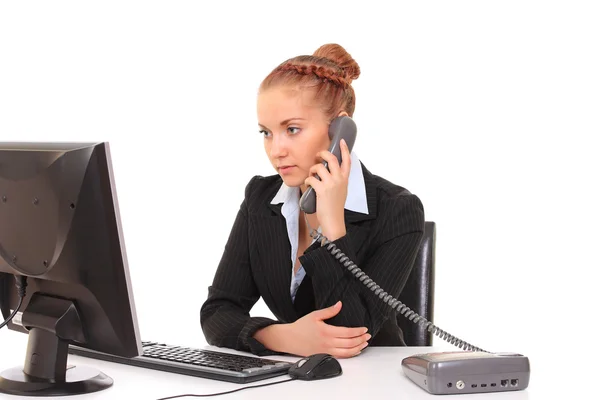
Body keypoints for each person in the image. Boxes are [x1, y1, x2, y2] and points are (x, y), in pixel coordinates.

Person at [200, 43, 425, 359]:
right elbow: (217, 312)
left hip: (375, 384)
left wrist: (331, 225)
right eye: (266, 133)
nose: (276, 149)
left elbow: (350, 333)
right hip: (297, 383)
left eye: (292, 129)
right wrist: (282, 336)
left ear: (339, 131)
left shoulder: (397, 209)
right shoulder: (261, 199)